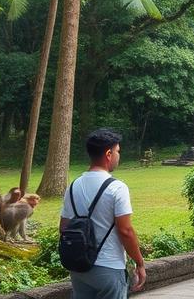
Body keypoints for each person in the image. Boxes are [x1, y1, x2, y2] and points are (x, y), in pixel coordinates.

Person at [60, 128, 145, 298]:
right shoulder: (117, 188)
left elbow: (63, 228)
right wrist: (140, 263)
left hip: (80, 269)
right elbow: (125, 231)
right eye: (117, 151)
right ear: (108, 154)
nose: (118, 156)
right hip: (109, 267)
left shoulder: (73, 186)